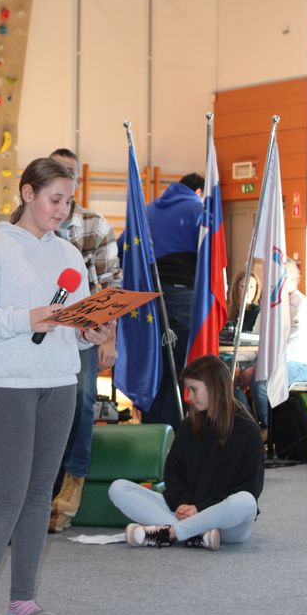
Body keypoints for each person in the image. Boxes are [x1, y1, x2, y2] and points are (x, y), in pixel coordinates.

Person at [0, 157, 113, 615]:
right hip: (7, 385)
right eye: (54, 199)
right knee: (8, 495)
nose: (62, 210)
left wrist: (89, 333)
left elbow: (72, 328)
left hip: (59, 383)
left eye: (68, 202)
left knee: (41, 494)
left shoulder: (69, 256)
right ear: (27, 193)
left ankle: (23, 603)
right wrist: (26, 319)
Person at [108, 355, 264, 550]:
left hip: (226, 523)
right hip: (186, 512)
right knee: (118, 488)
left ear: (214, 387)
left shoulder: (249, 431)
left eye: (194, 389)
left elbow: (250, 488)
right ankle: (198, 535)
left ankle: (172, 533)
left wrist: (200, 509)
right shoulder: (188, 426)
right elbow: (173, 475)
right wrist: (183, 503)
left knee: (246, 502)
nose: (189, 397)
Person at [47, 148, 122, 532]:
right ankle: (41, 482)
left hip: (84, 330)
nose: (64, 178)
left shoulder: (94, 225)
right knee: (40, 402)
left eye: (70, 173)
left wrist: (108, 338)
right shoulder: (29, 221)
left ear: (76, 182)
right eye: (56, 171)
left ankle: (73, 477)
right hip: (40, 328)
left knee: (81, 397)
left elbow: (110, 287)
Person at [119, 172, 204, 429]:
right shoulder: (198, 208)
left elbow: (122, 247)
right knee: (182, 368)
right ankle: (177, 434)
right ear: (198, 192)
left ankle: (152, 432)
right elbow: (210, 253)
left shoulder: (148, 210)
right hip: (183, 294)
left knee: (154, 364)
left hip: (146, 299)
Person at [251, 258, 307, 428]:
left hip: (302, 366)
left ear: (291, 280)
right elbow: (254, 338)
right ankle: (250, 427)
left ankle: (272, 431)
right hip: (273, 362)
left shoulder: (302, 307)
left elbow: (294, 350)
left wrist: (258, 366)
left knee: (263, 380)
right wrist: (240, 363)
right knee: (227, 374)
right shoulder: (269, 305)